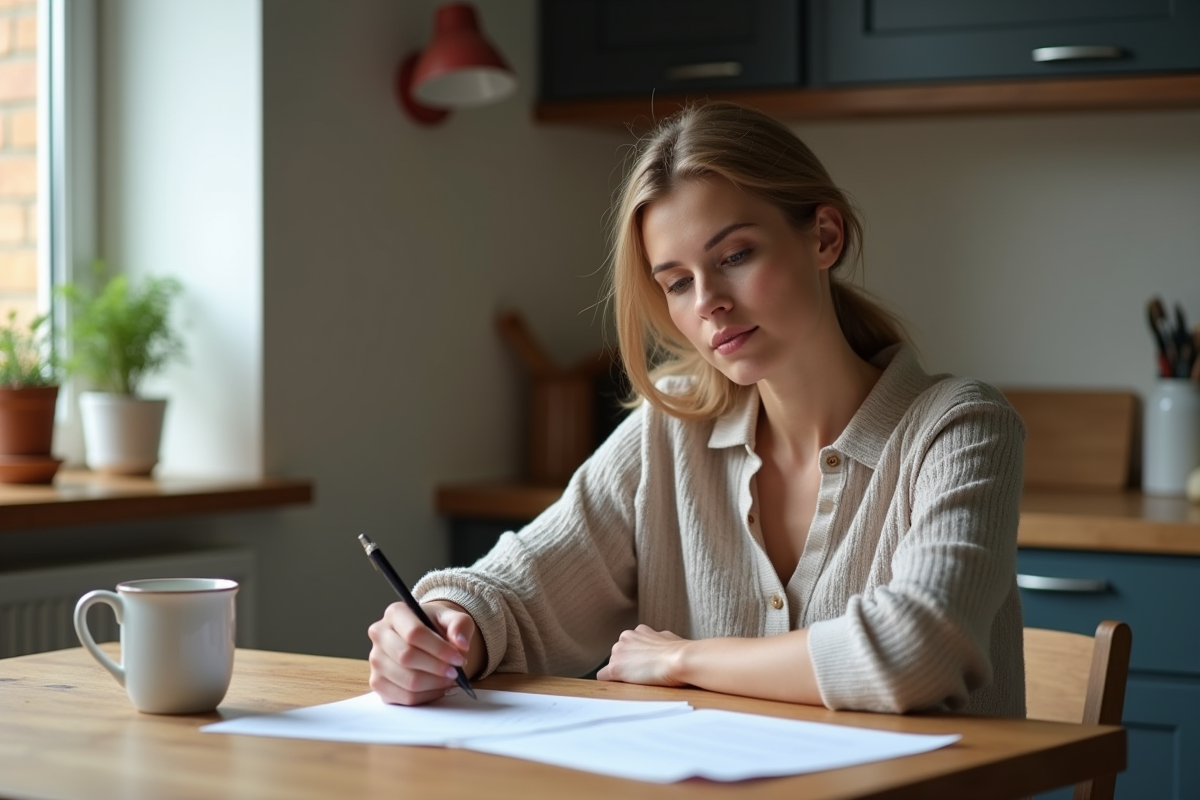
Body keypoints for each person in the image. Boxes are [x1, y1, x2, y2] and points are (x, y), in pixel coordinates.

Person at [368, 100, 1026, 717]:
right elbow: (519, 590)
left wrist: (683, 657)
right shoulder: (672, 427)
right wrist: (443, 626)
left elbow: (921, 649)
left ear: (824, 236)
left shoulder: (959, 427)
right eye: (678, 282)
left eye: (735, 255)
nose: (707, 301)